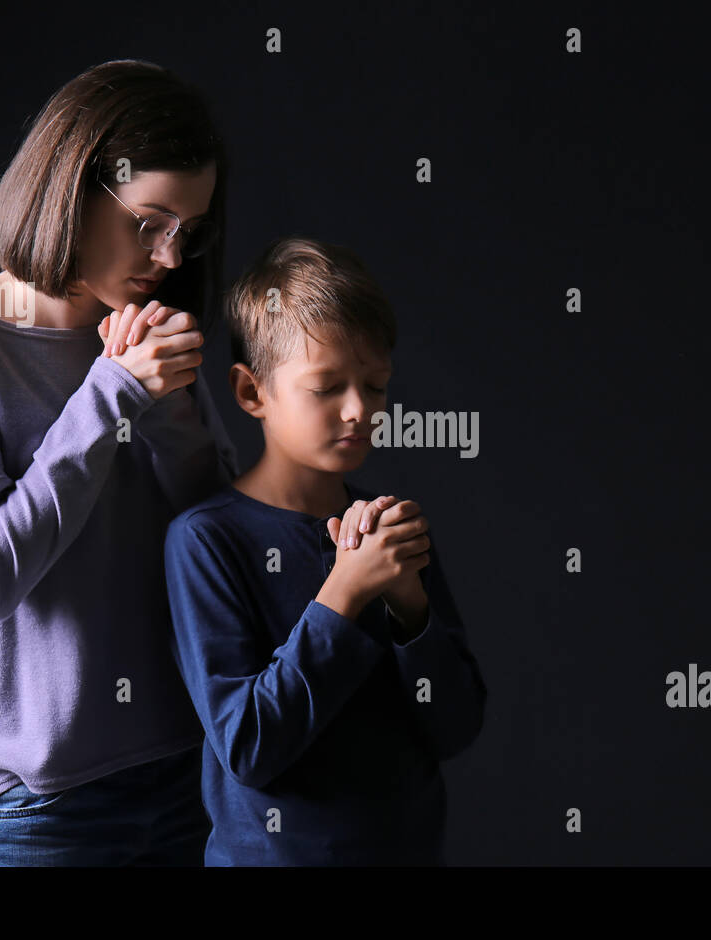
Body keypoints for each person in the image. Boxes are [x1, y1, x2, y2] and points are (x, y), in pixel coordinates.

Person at [0, 59, 242, 865]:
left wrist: (169, 404)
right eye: (149, 221)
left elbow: (217, 535)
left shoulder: (140, 331)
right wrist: (112, 392)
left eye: (188, 230)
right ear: (71, 190)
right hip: (24, 810)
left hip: (183, 777)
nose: (168, 253)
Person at [163, 236, 487, 865]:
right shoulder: (207, 539)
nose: (359, 409)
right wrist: (345, 591)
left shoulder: (391, 530)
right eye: (326, 386)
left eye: (376, 386)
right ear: (252, 392)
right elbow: (250, 746)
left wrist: (409, 607)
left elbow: (455, 727)